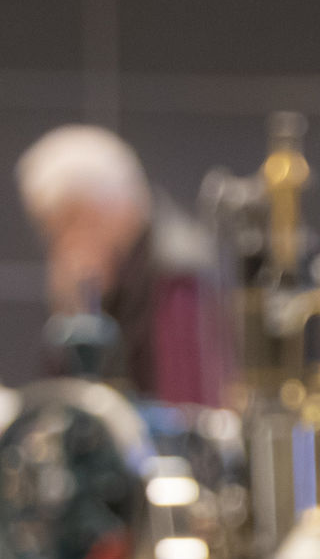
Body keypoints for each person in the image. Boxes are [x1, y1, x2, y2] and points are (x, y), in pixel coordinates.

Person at [15, 125, 218, 405]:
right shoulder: (116, 278)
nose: (62, 247)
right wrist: (72, 308)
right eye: (52, 233)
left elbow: (184, 407)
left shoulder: (177, 280)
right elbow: (63, 402)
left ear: (114, 209)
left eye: (70, 223)